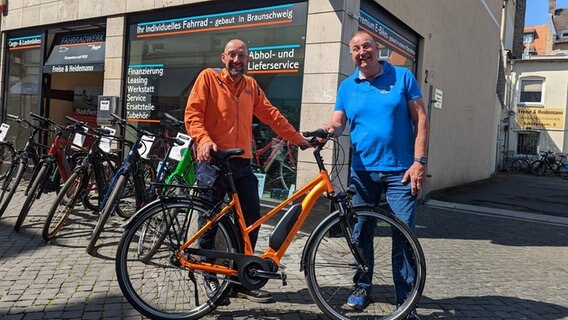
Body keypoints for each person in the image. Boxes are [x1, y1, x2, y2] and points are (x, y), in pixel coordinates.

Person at [185, 39, 311, 304]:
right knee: (209, 219)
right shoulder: (208, 79)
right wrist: (203, 139)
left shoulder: (251, 86)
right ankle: (209, 274)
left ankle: (241, 279)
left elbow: (271, 115)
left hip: (242, 164)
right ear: (223, 57)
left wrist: (297, 138)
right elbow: (193, 114)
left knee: (251, 219)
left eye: (242, 55)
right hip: (214, 162)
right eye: (232, 54)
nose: (237, 59)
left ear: (248, 59)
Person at [323, 31, 428, 320]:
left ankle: (406, 302)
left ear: (377, 48)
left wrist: (419, 161)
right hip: (363, 171)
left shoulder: (402, 77)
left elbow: (420, 118)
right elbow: (338, 121)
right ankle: (362, 285)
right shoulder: (347, 86)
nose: (361, 51)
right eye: (355, 48)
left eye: (366, 45)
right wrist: (325, 132)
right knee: (361, 232)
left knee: (404, 234)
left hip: (401, 172)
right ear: (351, 54)